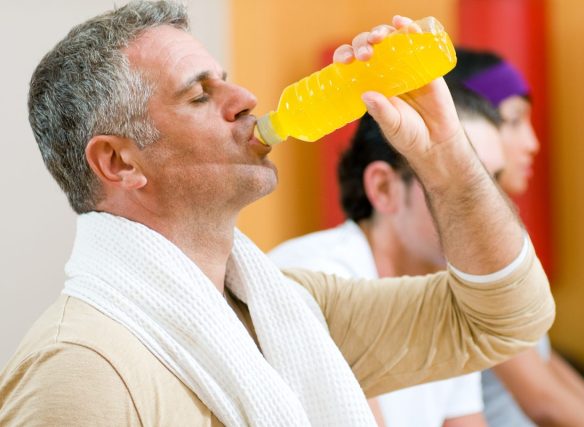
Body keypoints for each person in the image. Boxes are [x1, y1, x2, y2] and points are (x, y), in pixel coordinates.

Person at [0, 3, 555, 425]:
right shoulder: (79, 371)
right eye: (199, 96)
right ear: (119, 161)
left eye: (226, 78)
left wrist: (447, 157)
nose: (243, 97)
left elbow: (507, 319)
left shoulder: (293, 310)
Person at [269, 83, 505, 427]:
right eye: (462, 180)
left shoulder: (450, 297)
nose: (490, 205)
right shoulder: (312, 277)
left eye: (492, 181)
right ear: (383, 187)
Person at [447, 48, 584, 427]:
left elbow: (548, 366)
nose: (532, 143)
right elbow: (543, 399)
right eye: (514, 122)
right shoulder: (463, 248)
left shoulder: (499, 234)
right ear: (470, 129)